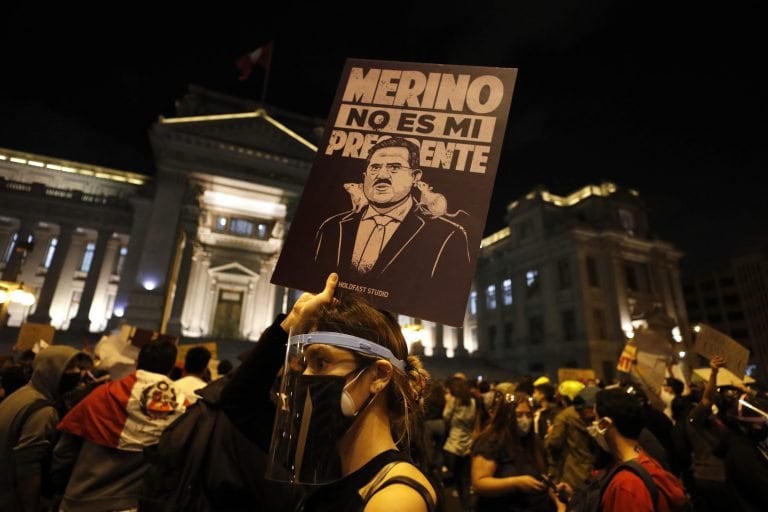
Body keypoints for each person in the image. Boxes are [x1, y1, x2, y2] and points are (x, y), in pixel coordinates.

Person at [219, 272, 438, 512]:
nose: (305, 377)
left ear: (378, 376)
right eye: (305, 364)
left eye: (321, 362)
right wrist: (291, 321)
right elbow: (239, 401)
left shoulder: (395, 498)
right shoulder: (320, 461)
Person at [313, 137, 471, 301]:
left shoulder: (448, 236)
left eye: (394, 168)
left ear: (415, 176)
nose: (381, 175)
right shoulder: (331, 227)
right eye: (374, 168)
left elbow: (445, 299)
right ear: (365, 175)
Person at [51, 338, 186, 512]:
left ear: (137, 363)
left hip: (80, 500)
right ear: (171, 368)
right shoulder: (182, 408)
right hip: (129, 504)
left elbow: (63, 452)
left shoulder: (102, 395)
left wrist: (59, 488)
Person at [555, 387, 688, 512]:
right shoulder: (642, 461)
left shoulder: (626, 485)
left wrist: (561, 508)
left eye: (594, 419)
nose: (591, 427)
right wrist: (574, 498)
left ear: (604, 424)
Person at [0, 345, 88, 512]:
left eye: (79, 367)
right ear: (51, 370)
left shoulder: (22, 394)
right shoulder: (43, 411)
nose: (77, 372)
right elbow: (28, 469)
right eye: (69, 368)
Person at [471, 390, 556, 512]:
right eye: (519, 415)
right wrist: (516, 482)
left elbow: (543, 475)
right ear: (506, 416)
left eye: (528, 415)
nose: (525, 420)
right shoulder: (490, 441)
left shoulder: (533, 441)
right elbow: (479, 483)